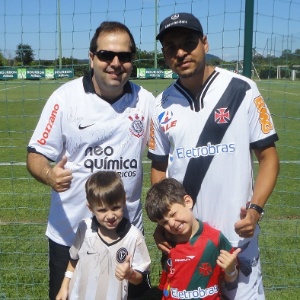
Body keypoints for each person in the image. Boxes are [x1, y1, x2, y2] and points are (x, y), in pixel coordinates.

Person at [147, 12, 280, 300]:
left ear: (204, 43)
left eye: (189, 43)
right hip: (187, 245)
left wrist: (255, 210)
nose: (181, 52)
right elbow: (158, 170)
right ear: (165, 55)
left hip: (237, 242)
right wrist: (162, 223)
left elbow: (268, 158)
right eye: (171, 47)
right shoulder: (160, 106)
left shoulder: (242, 90)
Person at [26, 21, 154, 299]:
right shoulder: (65, 98)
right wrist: (49, 175)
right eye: (107, 55)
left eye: (125, 56)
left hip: (126, 236)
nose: (116, 63)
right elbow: (35, 154)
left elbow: (166, 152)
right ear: (92, 57)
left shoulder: (146, 102)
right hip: (70, 235)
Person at [55, 171, 151, 300]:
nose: (110, 215)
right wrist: (64, 285)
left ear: (123, 200)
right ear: (90, 207)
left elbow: (140, 278)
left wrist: (130, 274)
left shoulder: (134, 236)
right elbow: (73, 260)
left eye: (115, 207)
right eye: (102, 210)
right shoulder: (84, 228)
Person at [145, 178, 241, 300]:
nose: (172, 224)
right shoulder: (167, 243)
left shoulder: (215, 239)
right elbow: (166, 283)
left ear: (188, 202)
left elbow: (231, 279)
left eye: (173, 214)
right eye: (164, 223)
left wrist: (231, 269)